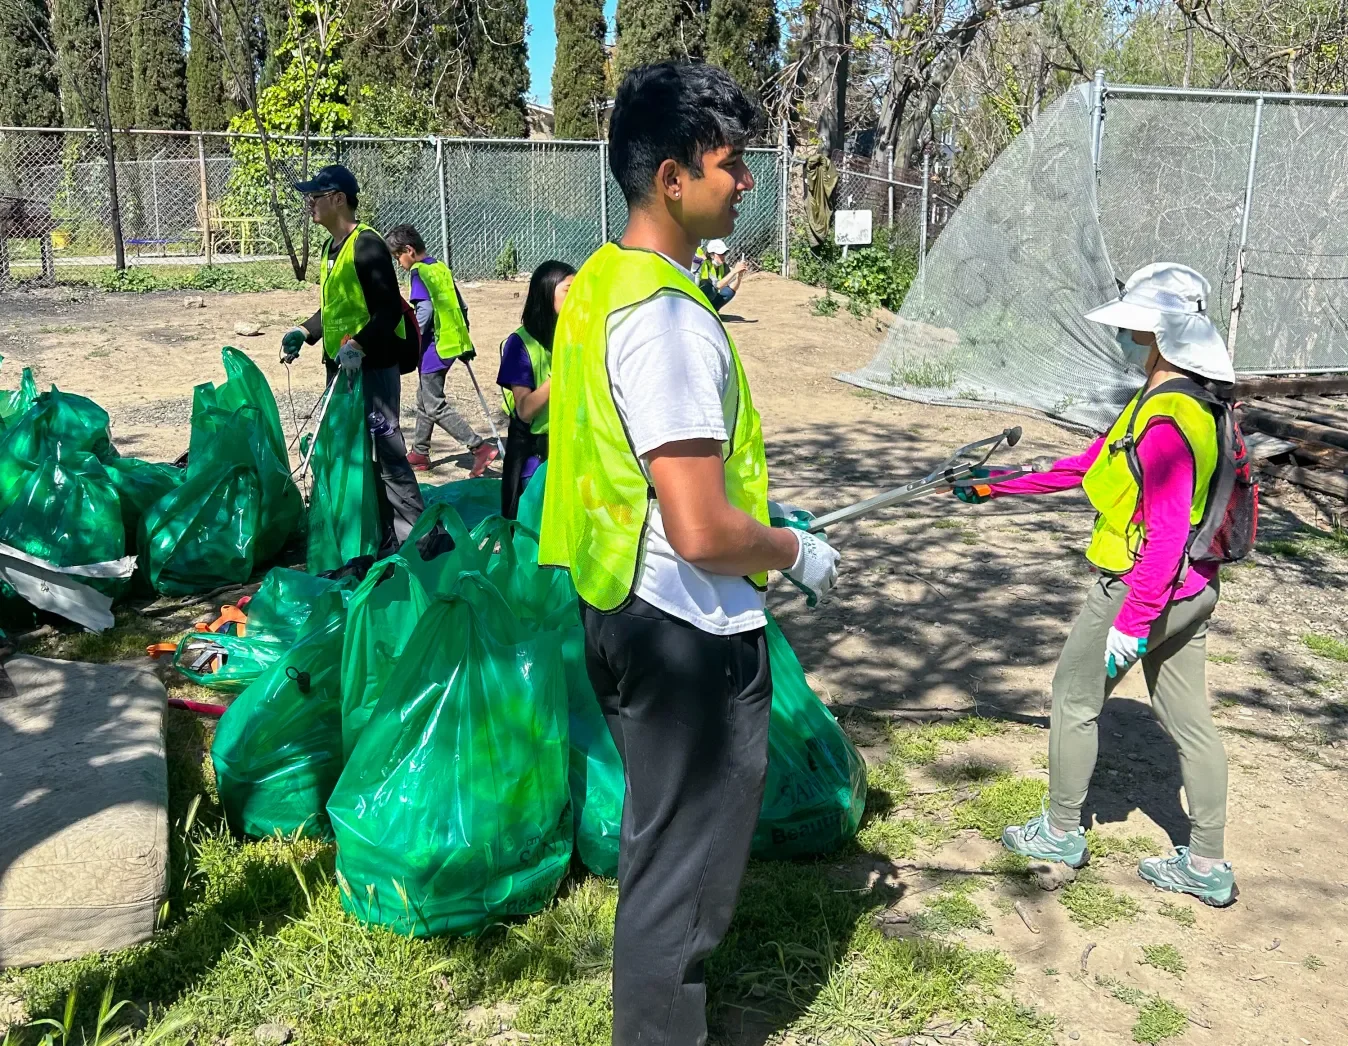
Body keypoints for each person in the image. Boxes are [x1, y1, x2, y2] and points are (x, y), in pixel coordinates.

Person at [538, 62, 843, 1045]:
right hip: (685, 628)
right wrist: (794, 548)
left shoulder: (597, 283)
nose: (746, 180)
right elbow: (702, 527)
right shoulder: (668, 318)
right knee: (682, 874)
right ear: (671, 178)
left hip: (617, 603)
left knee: (659, 843)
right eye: (732, 163)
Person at [957, 263, 1239, 908]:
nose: (1127, 339)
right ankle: (1206, 862)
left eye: (1136, 330)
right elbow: (1091, 466)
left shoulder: (1168, 420)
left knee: (1074, 698)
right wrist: (996, 485)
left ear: (1162, 336)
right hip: (1195, 590)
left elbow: (1165, 534)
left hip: (1144, 586)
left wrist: (1132, 621)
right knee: (1188, 720)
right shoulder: (1182, 399)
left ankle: (1059, 832)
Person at [278, 164, 425, 554]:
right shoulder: (331, 249)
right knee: (353, 453)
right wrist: (305, 332)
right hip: (342, 369)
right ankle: (378, 534)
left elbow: (389, 311)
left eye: (315, 197)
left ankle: (418, 539)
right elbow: (336, 308)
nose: (309, 204)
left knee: (387, 450)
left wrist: (358, 344)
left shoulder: (367, 245)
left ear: (338, 199)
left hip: (373, 370)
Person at [384, 223, 498, 478]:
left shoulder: (418, 273)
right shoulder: (440, 268)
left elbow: (423, 313)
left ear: (409, 250)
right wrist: (464, 341)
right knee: (424, 399)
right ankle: (420, 452)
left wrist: (411, 340)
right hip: (451, 344)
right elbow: (462, 306)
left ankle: (478, 447)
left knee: (434, 404)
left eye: (397, 257)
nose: (398, 263)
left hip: (434, 348)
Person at [495, 260, 575, 519]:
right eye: (568, 289)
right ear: (546, 292)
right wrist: (559, 375)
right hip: (536, 459)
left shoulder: (576, 335)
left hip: (572, 452)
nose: (577, 297)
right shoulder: (520, 344)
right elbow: (525, 410)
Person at [697, 237, 747, 312]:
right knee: (711, 289)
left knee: (729, 292)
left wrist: (739, 276)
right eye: (721, 254)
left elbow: (733, 288)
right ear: (712, 255)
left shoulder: (723, 266)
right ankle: (701, 310)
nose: (723, 256)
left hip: (710, 296)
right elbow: (716, 286)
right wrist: (734, 271)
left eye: (725, 253)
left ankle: (712, 310)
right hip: (698, 298)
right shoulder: (704, 265)